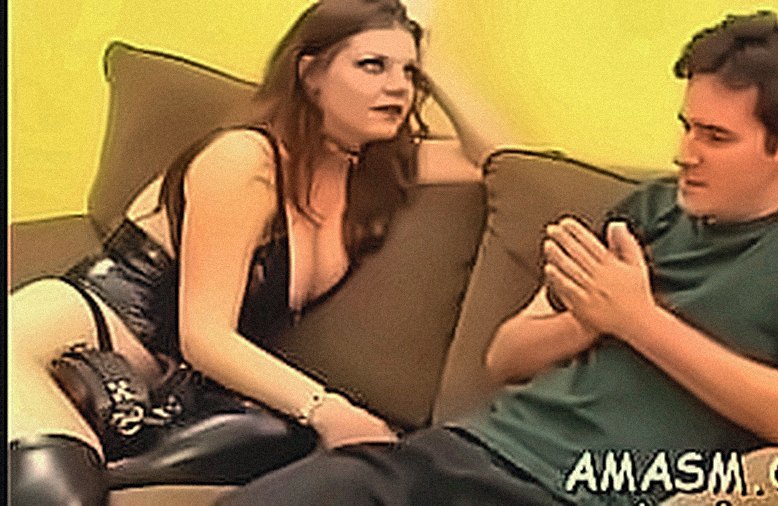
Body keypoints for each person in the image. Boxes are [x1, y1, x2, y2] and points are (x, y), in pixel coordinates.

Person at [216, 10, 778, 506]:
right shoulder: (652, 208)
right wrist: (586, 319)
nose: (685, 153)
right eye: (687, 126)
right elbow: (507, 355)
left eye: (715, 137)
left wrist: (637, 320)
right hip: (470, 452)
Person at [8, 0, 513, 504]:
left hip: (154, 395)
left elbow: (508, 162)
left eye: (408, 73)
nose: (398, 86)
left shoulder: (375, 172)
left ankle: (110, 464)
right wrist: (329, 408)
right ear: (310, 75)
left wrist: (435, 62)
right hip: (54, 344)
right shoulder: (246, 160)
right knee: (58, 498)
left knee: (282, 439)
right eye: (372, 65)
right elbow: (205, 336)